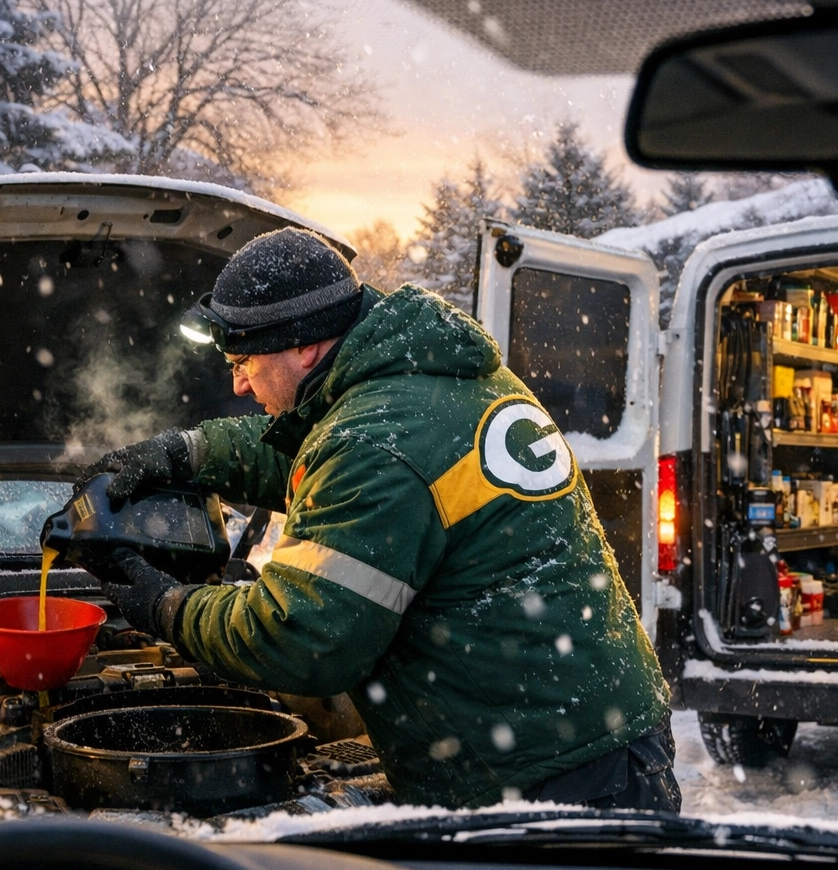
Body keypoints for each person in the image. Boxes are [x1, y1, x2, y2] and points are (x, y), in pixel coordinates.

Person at [86, 227, 680, 812]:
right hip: (590, 737)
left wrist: (165, 604)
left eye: (243, 360)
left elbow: (300, 639)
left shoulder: (376, 440)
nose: (238, 383)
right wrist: (187, 453)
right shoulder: (421, 378)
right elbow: (314, 450)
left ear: (303, 346)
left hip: (552, 780)